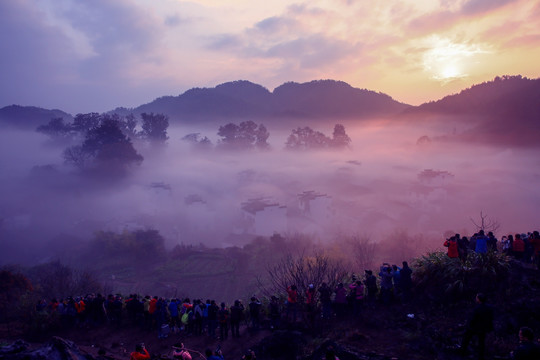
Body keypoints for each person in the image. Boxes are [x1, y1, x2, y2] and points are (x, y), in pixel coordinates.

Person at [460, 293, 494, 360]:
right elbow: (491, 318)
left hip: (475, 328)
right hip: (484, 328)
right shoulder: (489, 308)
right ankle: (480, 356)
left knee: (466, 338)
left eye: (476, 298)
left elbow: (473, 319)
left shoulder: (477, 308)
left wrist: (469, 325)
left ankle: (462, 352)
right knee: (481, 342)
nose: (476, 299)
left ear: (478, 299)